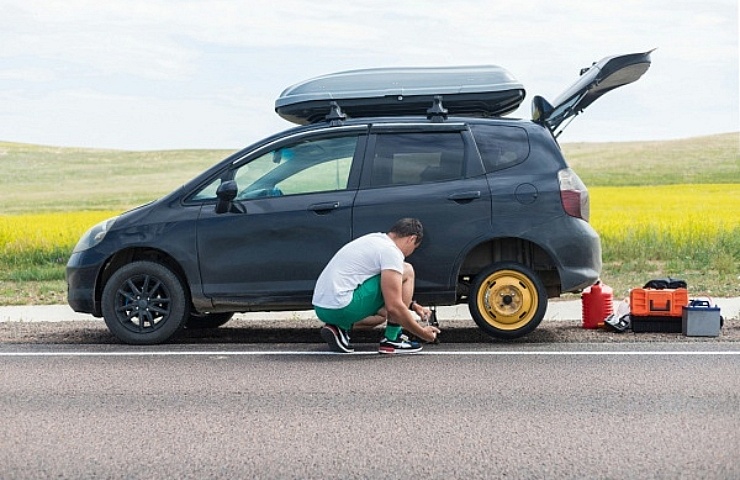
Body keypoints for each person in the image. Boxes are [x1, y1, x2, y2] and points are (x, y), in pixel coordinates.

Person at [312, 218, 441, 354]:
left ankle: (338, 328)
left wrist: (413, 305)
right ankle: (393, 340)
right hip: (342, 307)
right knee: (407, 270)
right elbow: (394, 306)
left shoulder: (375, 239)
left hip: (322, 309)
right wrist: (422, 333)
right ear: (411, 239)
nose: (411, 252)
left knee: (382, 315)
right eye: (414, 247)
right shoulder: (391, 252)